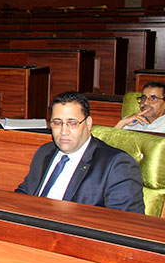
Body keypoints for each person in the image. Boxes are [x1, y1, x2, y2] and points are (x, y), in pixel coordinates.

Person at [15, 91, 144, 213]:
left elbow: (125, 224)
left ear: (88, 123)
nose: (64, 131)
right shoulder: (45, 151)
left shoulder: (117, 165)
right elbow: (25, 193)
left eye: (72, 123)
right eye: (57, 122)